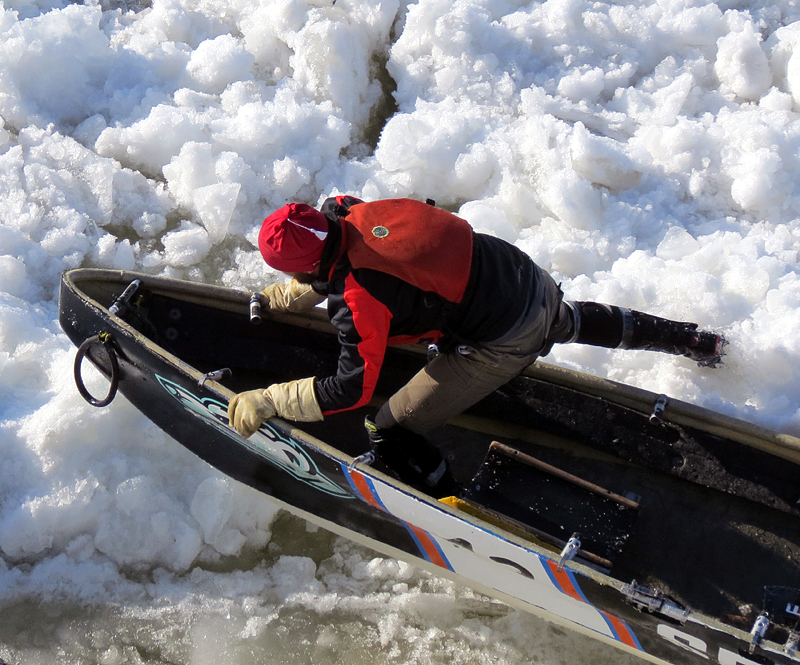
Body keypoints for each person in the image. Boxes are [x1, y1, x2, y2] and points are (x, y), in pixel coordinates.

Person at [227, 196, 725, 495]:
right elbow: (345, 255)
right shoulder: (346, 210)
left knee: (388, 427)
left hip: (502, 337)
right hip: (520, 273)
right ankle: (693, 339)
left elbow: (351, 388)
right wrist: (293, 294)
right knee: (564, 319)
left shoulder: (358, 299)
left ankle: (448, 504)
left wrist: (269, 398)